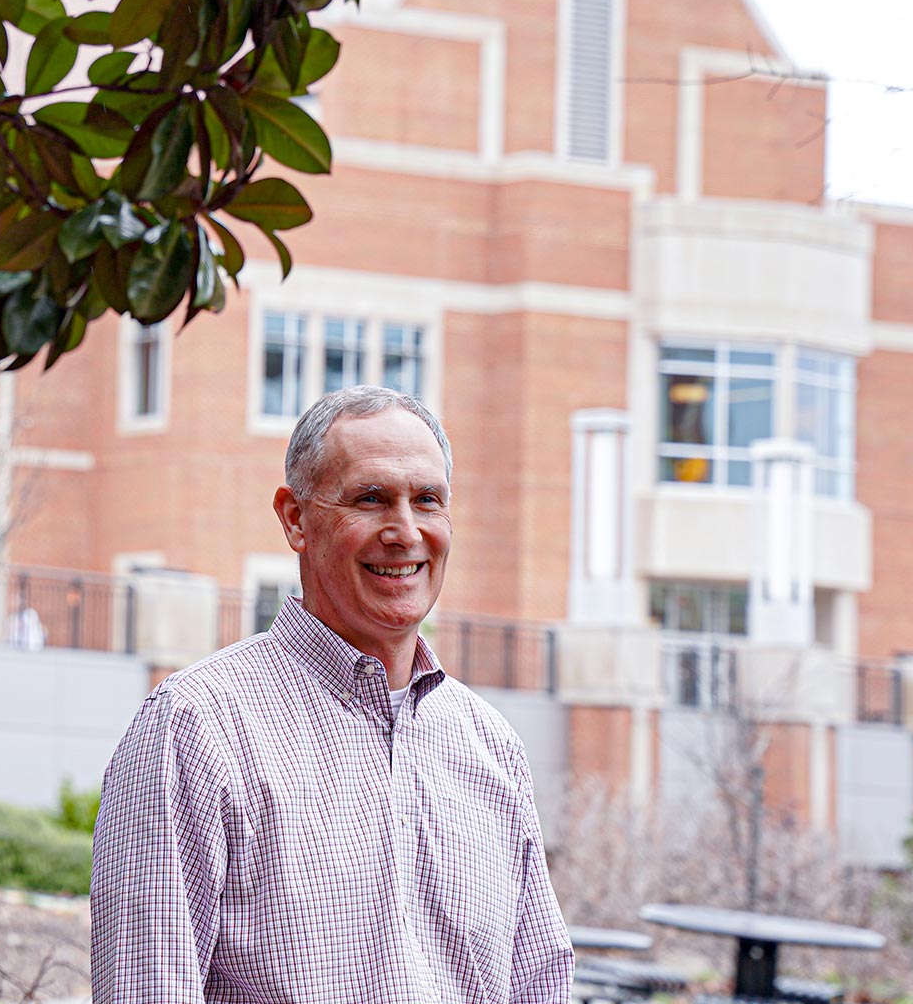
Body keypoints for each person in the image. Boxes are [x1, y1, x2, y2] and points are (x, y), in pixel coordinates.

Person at [90, 385, 573, 1003]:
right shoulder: (195, 729)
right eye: (370, 499)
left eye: (427, 500)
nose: (405, 532)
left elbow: (541, 986)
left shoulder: (489, 747)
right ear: (295, 519)